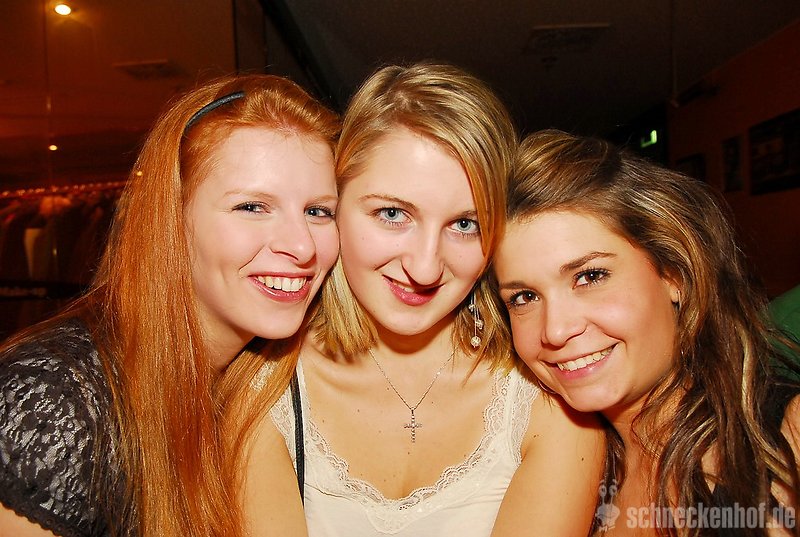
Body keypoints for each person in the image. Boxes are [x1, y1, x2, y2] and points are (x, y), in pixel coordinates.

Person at [244, 62, 605, 536]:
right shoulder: (259, 388)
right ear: (333, 205)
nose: (426, 267)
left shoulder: (547, 400)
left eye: (464, 224)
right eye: (393, 214)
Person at [0, 74, 340, 537]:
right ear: (172, 220)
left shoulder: (261, 380)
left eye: (318, 211)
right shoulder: (57, 402)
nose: (302, 246)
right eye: (252, 207)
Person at [494, 129, 800, 536]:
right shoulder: (554, 472)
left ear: (673, 276)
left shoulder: (787, 436)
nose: (556, 329)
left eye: (590, 276)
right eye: (524, 297)